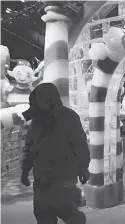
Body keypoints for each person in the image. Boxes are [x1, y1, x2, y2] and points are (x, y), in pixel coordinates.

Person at [20, 83, 90, 224]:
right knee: (43, 215)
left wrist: (83, 167)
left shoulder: (68, 117)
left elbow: (79, 144)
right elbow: (30, 146)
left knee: (67, 212)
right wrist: (25, 170)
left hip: (63, 178)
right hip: (41, 180)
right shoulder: (37, 119)